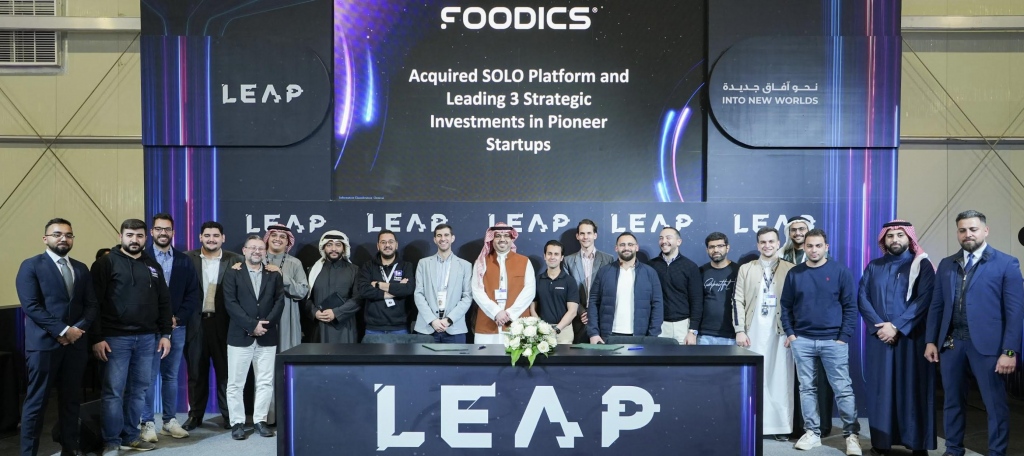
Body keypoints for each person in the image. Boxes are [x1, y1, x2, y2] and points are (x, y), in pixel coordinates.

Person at [925, 210, 1023, 456]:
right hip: (951, 345)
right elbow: (937, 306)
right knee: (952, 402)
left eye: (973, 229)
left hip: (990, 348)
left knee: (994, 404)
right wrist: (930, 341)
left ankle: (996, 452)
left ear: (985, 231)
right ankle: (953, 449)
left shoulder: (1007, 263)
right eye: (962, 230)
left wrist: (1010, 351)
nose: (967, 234)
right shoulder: (947, 264)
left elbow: (1015, 313)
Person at [17, 218, 98, 456]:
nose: (63, 238)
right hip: (43, 346)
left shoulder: (81, 268)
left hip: (75, 347)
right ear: (46, 239)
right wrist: (63, 331)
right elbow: (31, 306)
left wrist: (75, 332)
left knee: (71, 401)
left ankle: (69, 450)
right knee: (36, 403)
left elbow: (91, 305)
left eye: (68, 235)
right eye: (57, 234)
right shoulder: (31, 266)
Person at [90, 219, 172, 453]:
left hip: (148, 339)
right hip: (115, 339)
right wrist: (96, 337)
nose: (134, 240)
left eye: (139, 235)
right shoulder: (105, 264)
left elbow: (164, 301)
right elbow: (93, 302)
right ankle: (111, 441)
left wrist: (165, 333)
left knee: (139, 391)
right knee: (113, 392)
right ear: (120, 236)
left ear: (146, 237)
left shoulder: (152, 265)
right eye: (129, 235)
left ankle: (131, 435)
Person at [858, 220, 935, 456]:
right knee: (881, 391)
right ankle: (881, 443)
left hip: (911, 339)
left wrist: (896, 326)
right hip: (880, 340)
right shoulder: (874, 266)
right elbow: (863, 297)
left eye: (900, 235)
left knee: (912, 390)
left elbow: (924, 300)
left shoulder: (921, 265)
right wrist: (881, 328)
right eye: (890, 236)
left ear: (909, 238)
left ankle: (917, 444)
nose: (895, 240)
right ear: (884, 240)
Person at [780, 228, 861, 455]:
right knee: (807, 389)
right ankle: (812, 433)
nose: (814, 250)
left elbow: (850, 306)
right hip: (802, 341)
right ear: (804, 247)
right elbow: (785, 306)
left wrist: (843, 337)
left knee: (843, 389)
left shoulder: (840, 271)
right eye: (809, 246)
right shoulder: (795, 273)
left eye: (818, 246)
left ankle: (851, 435)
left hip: (833, 341)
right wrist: (791, 334)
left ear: (826, 247)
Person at [140, 213, 200, 442]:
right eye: (158, 229)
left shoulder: (184, 260)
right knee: (148, 378)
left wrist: (178, 318)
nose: (163, 233)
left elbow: (193, 294)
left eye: (167, 229)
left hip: (177, 328)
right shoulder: (141, 258)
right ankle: (146, 422)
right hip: (150, 329)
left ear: (173, 232)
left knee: (171, 377)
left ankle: (169, 421)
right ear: (152, 232)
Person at [733, 227, 795, 441]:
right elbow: (737, 301)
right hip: (752, 332)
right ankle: (753, 423)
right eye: (763, 242)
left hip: (781, 332)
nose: (767, 245)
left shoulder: (790, 269)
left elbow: (797, 304)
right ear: (757, 245)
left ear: (778, 243)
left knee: (780, 378)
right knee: (754, 378)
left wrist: (792, 332)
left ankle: (780, 426)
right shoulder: (746, 269)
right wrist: (740, 330)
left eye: (771, 241)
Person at [183, 221, 243, 431]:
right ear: (200, 237)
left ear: (223, 238)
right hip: (195, 324)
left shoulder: (236, 260)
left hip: (224, 324)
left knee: (226, 374)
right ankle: (195, 415)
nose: (211, 239)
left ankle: (230, 416)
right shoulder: (186, 258)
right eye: (207, 235)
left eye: (216, 235)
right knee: (196, 373)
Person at [223, 236, 285, 440]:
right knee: (235, 383)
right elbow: (230, 303)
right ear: (244, 250)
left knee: (265, 382)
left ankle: (260, 420)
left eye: (260, 248)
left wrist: (264, 326)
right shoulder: (233, 273)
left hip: (267, 336)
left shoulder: (273, 274)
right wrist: (251, 326)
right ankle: (237, 423)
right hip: (240, 336)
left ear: (265, 252)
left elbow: (279, 301)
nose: (257, 251)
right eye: (252, 248)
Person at [780, 215, 834, 437]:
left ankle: (822, 426)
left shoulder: (824, 260)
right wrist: (789, 330)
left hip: (820, 329)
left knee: (821, 380)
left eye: (802, 229)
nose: (798, 233)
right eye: (794, 230)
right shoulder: (781, 256)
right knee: (796, 381)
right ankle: (797, 426)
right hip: (792, 330)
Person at [587, 232, 663, 343]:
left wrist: (652, 336)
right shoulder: (604, 272)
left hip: (640, 336)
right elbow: (593, 302)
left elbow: (657, 305)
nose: (626, 248)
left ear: (636, 247)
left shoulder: (650, 273)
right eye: (622, 245)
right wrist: (593, 333)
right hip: (608, 336)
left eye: (630, 244)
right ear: (616, 248)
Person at [471, 223, 536, 344]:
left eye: (506, 236)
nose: (502, 239)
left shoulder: (524, 261)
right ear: (492, 239)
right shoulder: (481, 262)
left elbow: (529, 291)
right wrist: (496, 312)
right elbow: (476, 291)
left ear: (512, 239)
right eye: (498, 236)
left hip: (516, 323)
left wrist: (509, 314)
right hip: (488, 324)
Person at [413, 224, 473, 343]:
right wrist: (432, 320)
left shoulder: (465, 265)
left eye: (446, 235)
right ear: (435, 239)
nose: (443, 239)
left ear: (452, 238)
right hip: (427, 327)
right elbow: (418, 294)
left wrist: (449, 320)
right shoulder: (423, 264)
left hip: (454, 328)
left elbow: (467, 297)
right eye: (439, 235)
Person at [648, 226, 703, 345]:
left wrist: (692, 331)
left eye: (668, 237)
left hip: (682, 326)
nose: (664, 241)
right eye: (661, 238)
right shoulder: (650, 266)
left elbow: (697, 300)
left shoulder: (690, 267)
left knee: (683, 358)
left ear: (679, 242)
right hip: (658, 326)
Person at [563, 219, 616, 343]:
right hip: (577, 319)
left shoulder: (608, 259)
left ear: (595, 235)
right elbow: (568, 291)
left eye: (589, 233)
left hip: (600, 319)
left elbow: (609, 290)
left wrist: (593, 313)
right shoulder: (568, 261)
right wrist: (581, 311)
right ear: (577, 236)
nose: (585, 237)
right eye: (582, 233)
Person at [305, 230, 361, 343]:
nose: (334, 249)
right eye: (329, 245)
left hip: (345, 327)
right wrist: (314, 312)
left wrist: (336, 313)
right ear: (323, 248)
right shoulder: (313, 271)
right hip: (320, 326)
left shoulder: (354, 270)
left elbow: (358, 299)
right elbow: (305, 298)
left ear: (344, 248)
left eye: (338, 245)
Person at [359, 230, 416, 336]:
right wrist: (396, 290)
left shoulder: (406, 266)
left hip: (400, 328)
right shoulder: (368, 266)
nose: (387, 245)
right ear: (378, 246)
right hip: (373, 328)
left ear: (396, 245)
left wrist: (378, 285)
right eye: (383, 242)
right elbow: (364, 290)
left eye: (391, 242)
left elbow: (408, 289)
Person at [263, 224, 309, 352]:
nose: (278, 239)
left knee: (286, 353)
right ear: (267, 238)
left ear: (288, 242)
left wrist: (282, 275)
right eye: (274, 235)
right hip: (261, 315)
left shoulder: (295, 263)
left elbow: (302, 291)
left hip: (287, 315)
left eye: (282, 237)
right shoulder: (258, 259)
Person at [531, 240, 580, 345]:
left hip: (564, 332)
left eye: (556, 254)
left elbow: (572, 311)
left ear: (562, 257)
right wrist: (541, 328)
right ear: (544, 256)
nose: (552, 257)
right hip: (541, 331)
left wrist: (557, 329)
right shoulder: (536, 280)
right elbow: (532, 308)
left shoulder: (569, 281)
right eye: (549, 253)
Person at [696, 232, 739, 345]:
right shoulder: (701, 272)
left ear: (727, 248)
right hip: (704, 334)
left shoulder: (739, 271)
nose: (715, 250)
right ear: (707, 250)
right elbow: (696, 302)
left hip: (732, 334)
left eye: (720, 246)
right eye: (712, 247)